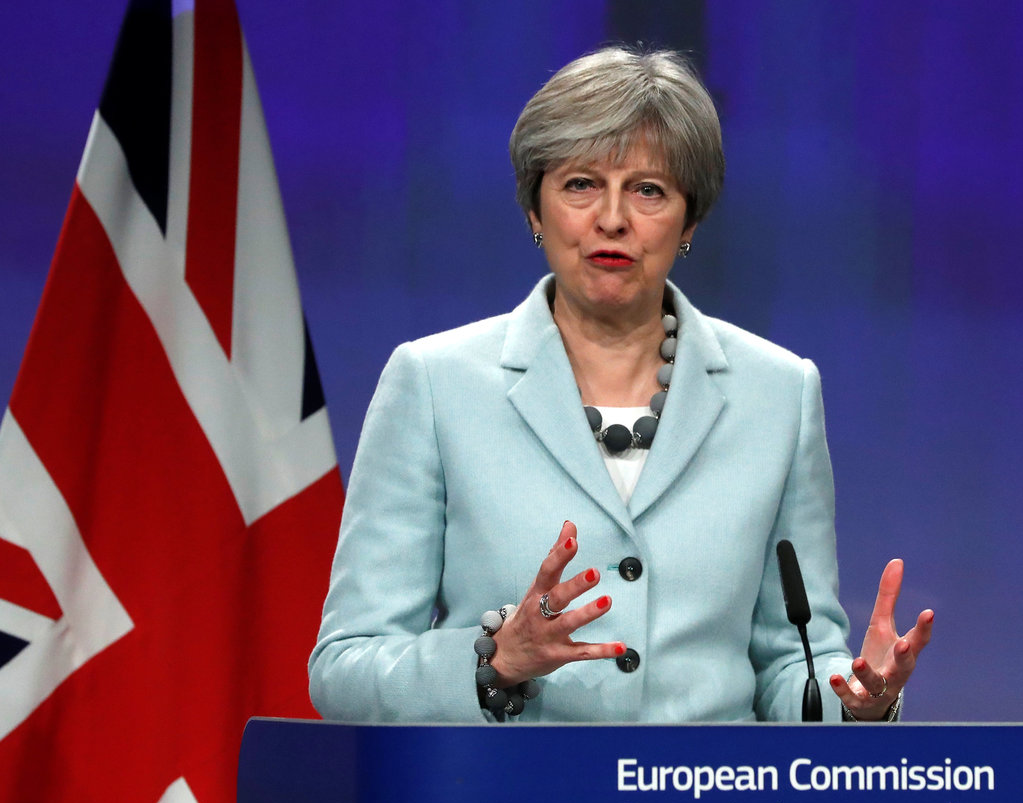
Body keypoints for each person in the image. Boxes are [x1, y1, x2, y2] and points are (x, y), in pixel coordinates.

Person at [308, 46, 933, 724]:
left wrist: (859, 703)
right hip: (507, 789)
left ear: (689, 220)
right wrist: (493, 661)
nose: (612, 218)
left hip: (704, 792)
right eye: (580, 184)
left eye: (648, 190)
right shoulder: (434, 384)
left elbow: (791, 664)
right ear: (535, 210)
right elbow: (345, 668)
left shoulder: (779, 394)